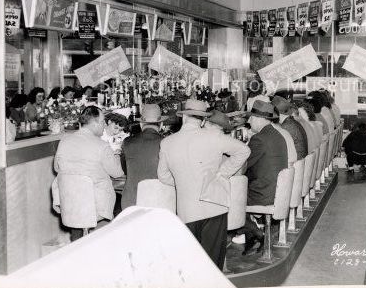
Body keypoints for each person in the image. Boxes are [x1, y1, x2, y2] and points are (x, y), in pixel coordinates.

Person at [157, 99, 250, 269]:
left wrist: (184, 183)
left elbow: (163, 176)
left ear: (184, 117)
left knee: (190, 264)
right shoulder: (214, 136)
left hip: (187, 210)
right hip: (214, 205)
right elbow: (244, 150)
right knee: (213, 265)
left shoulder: (167, 143)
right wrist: (222, 174)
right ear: (203, 120)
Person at [51, 105, 124, 241]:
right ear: (95, 123)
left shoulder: (64, 141)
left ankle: (78, 243)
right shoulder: (102, 146)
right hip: (95, 204)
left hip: (71, 203)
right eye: (102, 122)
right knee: (123, 202)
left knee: (80, 206)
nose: (104, 125)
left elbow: (57, 168)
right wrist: (117, 154)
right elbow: (117, 173)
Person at [240, 100, 289, 255]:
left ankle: (257, 234)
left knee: (227, 197)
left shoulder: (259, 139)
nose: (248, 121)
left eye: (251, 117)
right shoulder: (277, 135)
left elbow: (242, 166)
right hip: (276, 190)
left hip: (263, 193)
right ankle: (252, 237)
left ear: (260, 119)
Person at [120, 104, 165, 210]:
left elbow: (124, 170)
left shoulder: (127, 142)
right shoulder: (166, 143)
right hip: (158, 203)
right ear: (161, 124)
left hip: (131, 203)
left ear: (141, 124)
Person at [272, 95, 308, 161]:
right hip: (300, 163)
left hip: (294, 165)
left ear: (276, 113)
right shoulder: (293, 122)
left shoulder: (286, 127)